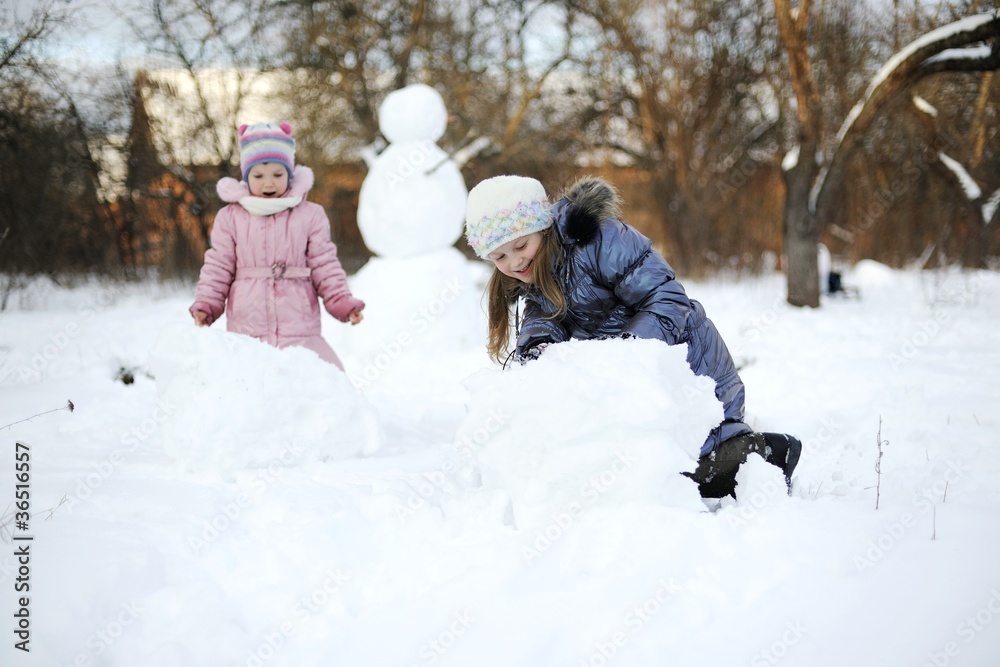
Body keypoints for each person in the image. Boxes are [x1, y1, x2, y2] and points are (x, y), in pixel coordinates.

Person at [463, 175, 800, 498]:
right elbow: (544, 318)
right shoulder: (536, 271)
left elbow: (667, 298)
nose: (514, 260)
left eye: (520, 245)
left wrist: (631, 351)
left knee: (676, 468)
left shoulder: (598, 239)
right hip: (633, 375)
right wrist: (536, 350)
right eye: (499, 257)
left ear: (542, 226)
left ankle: (766, 453)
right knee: (621, 469)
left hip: (690, 365)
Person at [190, 122, 364, 370]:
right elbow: (218, 266)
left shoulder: (310, 215)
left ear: (290, 174)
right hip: (247, 324)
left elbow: (325, 264)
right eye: (258, 176)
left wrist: (342, 302)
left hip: (299, 323)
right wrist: (207, 304)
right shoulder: (231, 217)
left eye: (278, 174)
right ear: (246, 176)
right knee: (254, 382)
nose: (268, 183)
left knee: (308, 381)